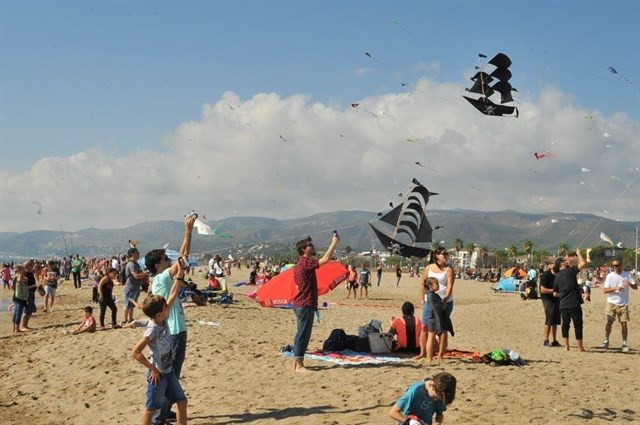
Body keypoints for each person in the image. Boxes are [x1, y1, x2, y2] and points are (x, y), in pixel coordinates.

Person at [146, 215, 195, 424]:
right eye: (166, 260)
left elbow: (181, 261)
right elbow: (183, 256)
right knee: (171, 375)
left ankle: (165, 412)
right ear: (158, 265)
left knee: (171, 376)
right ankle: (161, 416)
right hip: (174, 332)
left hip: (175, 330)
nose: (170, 262)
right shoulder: (161, 277)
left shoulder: (158, 281)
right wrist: (188, 231)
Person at [131, 265, 188, 425]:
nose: (168, 309)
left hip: (168, 373)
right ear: (158, 314)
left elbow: (173, 294)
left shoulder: (162, 317)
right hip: (158, 376)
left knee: (182, 402)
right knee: (151, 409)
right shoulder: (153, 329)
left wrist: (179, 275)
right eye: (165, 308)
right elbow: (135, 352)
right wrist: (152, 368)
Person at [291, 233, 339, 373]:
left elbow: (298, 286)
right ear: (303, 250)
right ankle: (299, 365)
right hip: (304, 304)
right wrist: (334, 242)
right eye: (309, 245)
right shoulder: (305, 262)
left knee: (301, 333)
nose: (312, 246)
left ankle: (296, 363)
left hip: (302, 303)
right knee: (303, 334)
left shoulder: (299, 264)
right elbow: (325, 259)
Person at [416, 247, 455, 360]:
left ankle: (440, 355)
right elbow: (422, 284)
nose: (446, 256)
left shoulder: (449, 269)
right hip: (430, 301)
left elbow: (450, 286)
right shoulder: (429, 268)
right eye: (444, 254)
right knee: (424, 326)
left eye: (447, 254)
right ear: (437, 255)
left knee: (442, 328)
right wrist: (423, 299)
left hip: (445, 301)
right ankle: (423, 352)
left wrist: (445, 300)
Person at [389, 372, 457, 425]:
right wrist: (410, 422)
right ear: (430, 385)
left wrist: (437, 423)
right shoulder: (414, 391)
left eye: (439, 399)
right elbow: (393, 413)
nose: (436, 400)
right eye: (435, 397)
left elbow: (439, 413)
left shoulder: (441, 394)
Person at [553, 250, 587, 352]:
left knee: (565, 326)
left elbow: (555, 293)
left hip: (563, 305)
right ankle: (580, 348)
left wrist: (562, 294)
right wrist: (579, 253)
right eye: (564, 260)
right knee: (578, 326)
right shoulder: (570, 271)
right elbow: (583, 264)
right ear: (561, 264)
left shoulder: (557, 277)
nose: (566, 261)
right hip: (574, 304)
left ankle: (566, 347)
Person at [601, 260, 638, 352]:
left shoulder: (627, 274)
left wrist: (631, 283)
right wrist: (616, 288)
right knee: (609, 323)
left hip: (624, 303)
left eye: (617, 265)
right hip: (611, 302)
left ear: (621, 265)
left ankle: (624, 343)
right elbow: (605, 291)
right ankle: (606, 340)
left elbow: (635, 287)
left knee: (624, 324)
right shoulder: (610, 276)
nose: (615, 267)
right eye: (614, 265)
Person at [425, 277, 454, 363]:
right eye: (436, 284)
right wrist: (439, 322)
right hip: (433, 319)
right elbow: (434, 309)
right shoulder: (431, 295)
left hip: (435, 318)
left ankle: (431, 357)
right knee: (431, 338)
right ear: (430, 286)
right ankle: (429, 358)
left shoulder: (433, 295)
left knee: (432, 337)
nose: (438, 286)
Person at [123, 248, 149, 324]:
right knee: (127, 304)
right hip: (130, 287)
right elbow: (136, 276)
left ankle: (130, 318)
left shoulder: (136, 264)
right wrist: (146, 273)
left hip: (135, 287)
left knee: (132, 305)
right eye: (137, 252)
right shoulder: (131, 264)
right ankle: (125, 320)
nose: (138, 253)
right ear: (132, 254)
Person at [539, 260, 562, 347]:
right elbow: (542, 289)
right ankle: (546, 340)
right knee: (549, 317)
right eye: (555, 273)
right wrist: (554, 290)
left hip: (556, 298)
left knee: (555, 320)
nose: (556, 275)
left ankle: (554, 340)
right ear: (552, 270)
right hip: (547, 298)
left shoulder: (559, 275)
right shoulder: (546, 275)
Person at [21, 260, 38, 331]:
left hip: (32, 293)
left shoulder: (30, 273)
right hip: (28, 294)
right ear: (27, 266)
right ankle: (23, 326)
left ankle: (25, 325)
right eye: (31, 265)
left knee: (31, 310)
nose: (33, 266)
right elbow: (24, 287)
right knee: (28, 310)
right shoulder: (25, 274)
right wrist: (35, 285)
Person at [11, 265, 29, 334]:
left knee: (16, 313)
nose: (25, 271)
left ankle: (14, 329)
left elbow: (13, 286)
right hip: (19, 298)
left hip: (17, 297)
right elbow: (19, 280)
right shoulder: (18, 276)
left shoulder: (17, 276)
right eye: (23, 269)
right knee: (18, 313)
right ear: (19, 270)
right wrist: (25, 279)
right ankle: (16, 329)